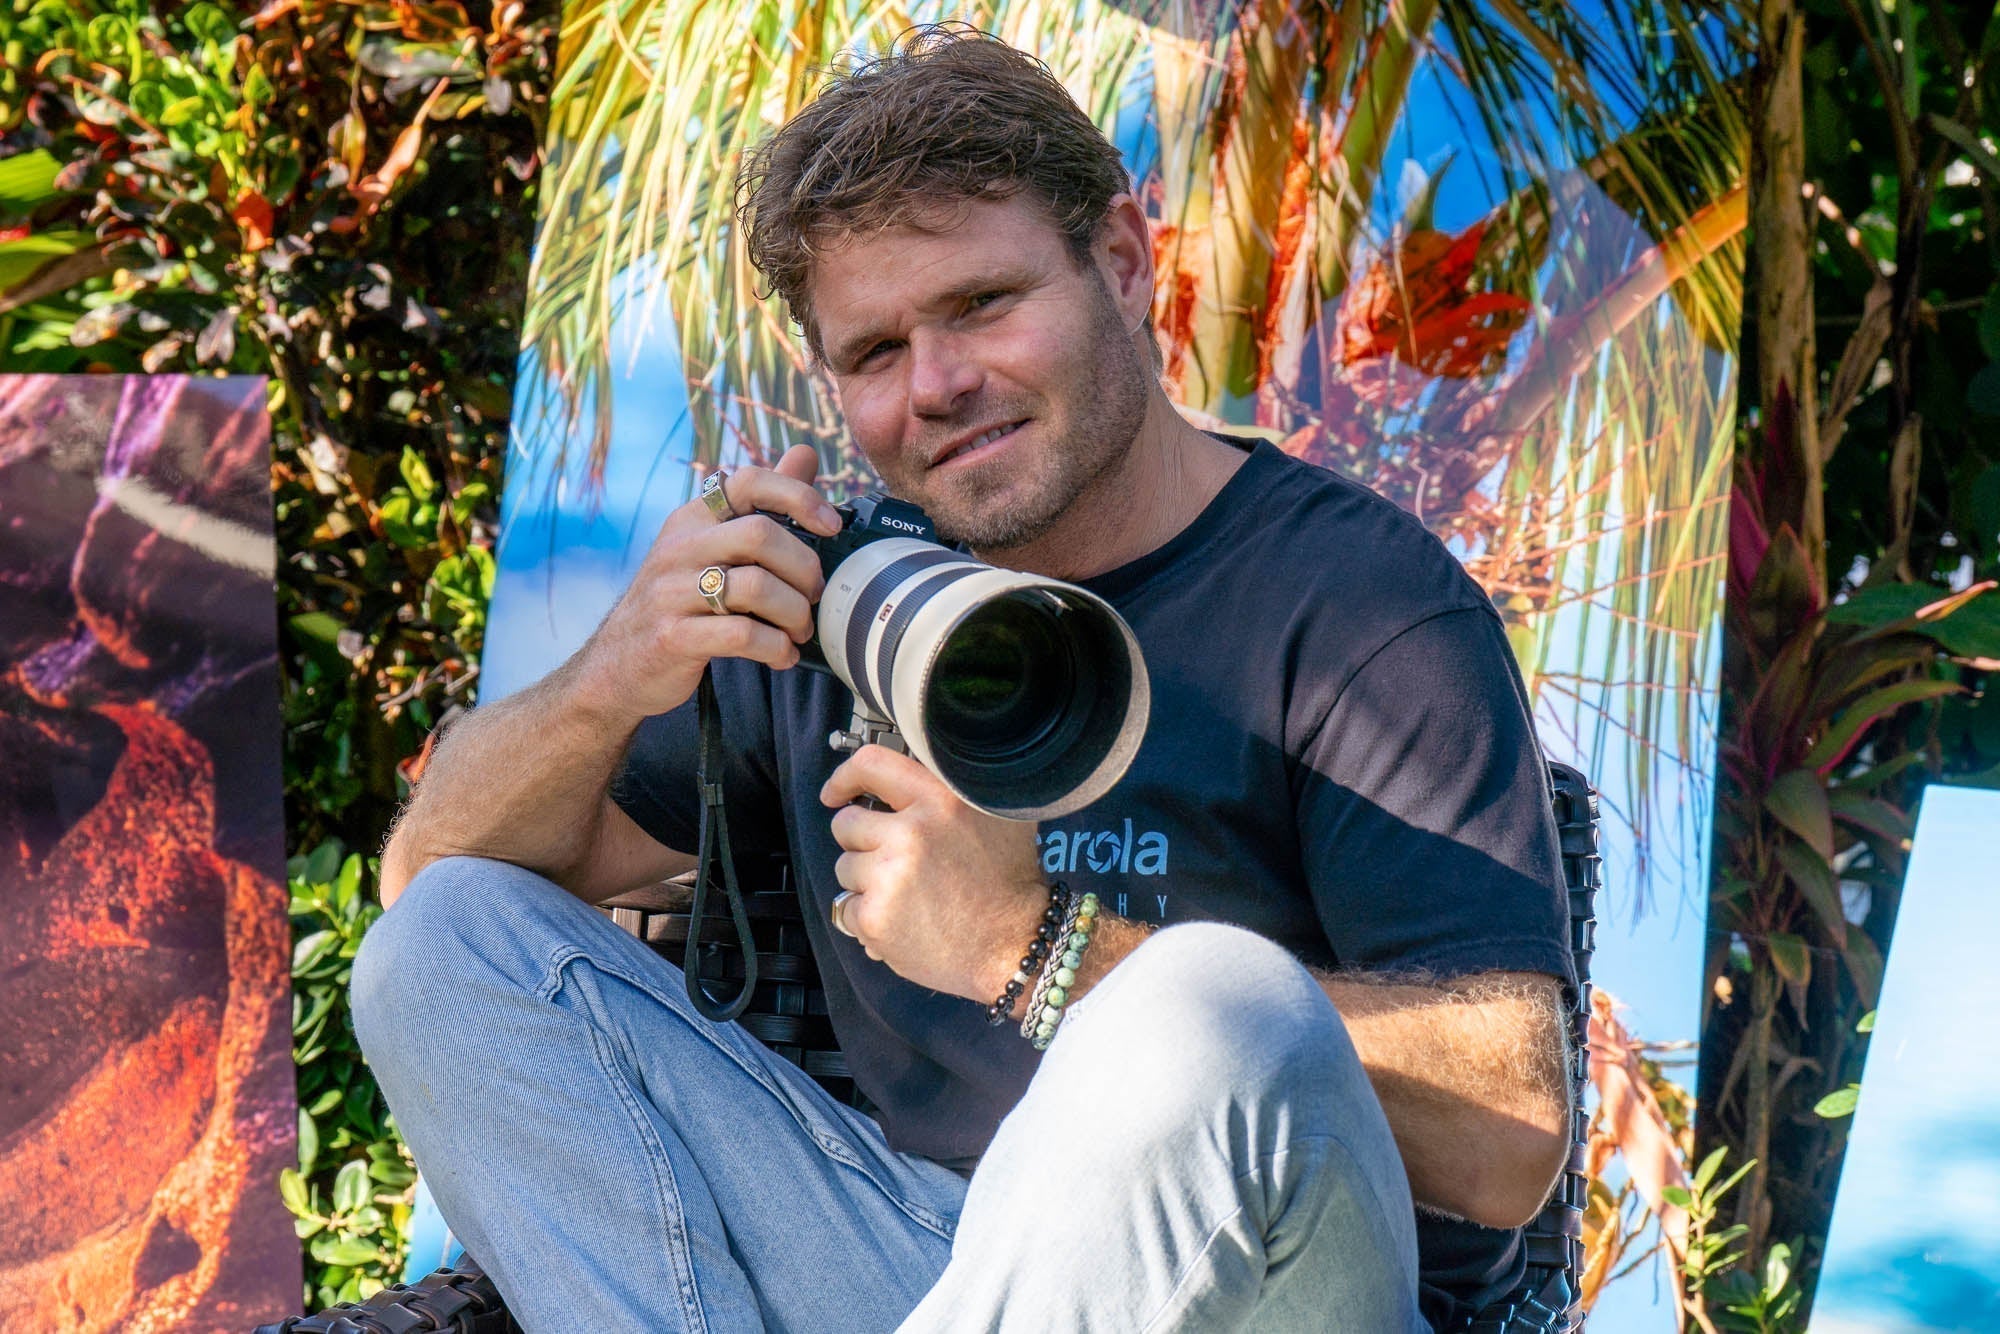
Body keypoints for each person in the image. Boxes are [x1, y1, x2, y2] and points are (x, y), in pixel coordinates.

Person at [353, 26, 1575, 1334]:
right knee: (440, 943)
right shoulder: (840, 601)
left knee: (1207, 1003)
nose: (936, 384)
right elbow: (426, 878)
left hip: (1272, 1291)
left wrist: (1028, 946)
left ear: (1122, 262)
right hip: (926, 1257)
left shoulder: (1354, 602)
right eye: (875, 352)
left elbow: (1513, 1135)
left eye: (983, 303)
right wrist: (612, 675)